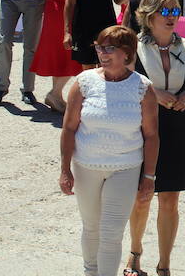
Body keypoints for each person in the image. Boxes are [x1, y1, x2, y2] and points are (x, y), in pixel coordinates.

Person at [59, 25, 159, 276]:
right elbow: (69, 128)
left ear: (127, 53)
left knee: (111, 233)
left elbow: (151, 136)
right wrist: (64, 169)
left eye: (109, 48)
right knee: (91, 227)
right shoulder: (83, 83)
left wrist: (149, 177)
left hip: (125, 169)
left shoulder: (143, 88)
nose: (102, 53)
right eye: (99, 47)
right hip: (86, 167)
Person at [124, 0, 185, 276]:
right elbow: (126, 84)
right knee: (142, 195)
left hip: (178, 128)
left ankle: (165, 263)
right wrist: (153, 92)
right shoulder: (134, 48)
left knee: (170, 199)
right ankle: (135, 252)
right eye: (165, 11)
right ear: (149, 15)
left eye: (175, 11)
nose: (172, 17)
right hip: (145, 129)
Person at [31, 0, 89, 113]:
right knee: (71, 57)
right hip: (66, 13)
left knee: (58, 55)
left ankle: (57, 95)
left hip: (51, 10)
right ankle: (55, 93)